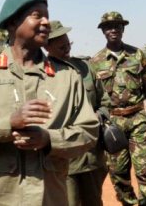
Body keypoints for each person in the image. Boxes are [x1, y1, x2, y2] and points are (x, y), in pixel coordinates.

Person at [0, 0, 100, 205]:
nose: (46, 22)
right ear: (13, 23)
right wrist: (9, 123)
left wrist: (49, 139)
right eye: (37, 15)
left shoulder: (67, 76)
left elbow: (88, 132)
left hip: (49, 197)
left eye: (47, 16)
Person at [90, 11, 146, 206]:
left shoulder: (137, 55)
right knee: (119, 172)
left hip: (138, 118)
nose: (113, 29)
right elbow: (94, 98)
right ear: (103, 31)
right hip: (112, 125)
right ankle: (130, 203)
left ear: (123, 29)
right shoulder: (95, 62)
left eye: (117, 26)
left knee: (143, 167)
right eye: (108, 27)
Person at [45, 20, 110, 206]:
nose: (67, 50)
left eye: (68, 45)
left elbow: (104, 101)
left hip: (92, 155)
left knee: (94, 201)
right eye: (61, 47)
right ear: (47, 47)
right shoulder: (42, 73)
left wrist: (99, 115)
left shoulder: (84, 67)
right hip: (65, 159)